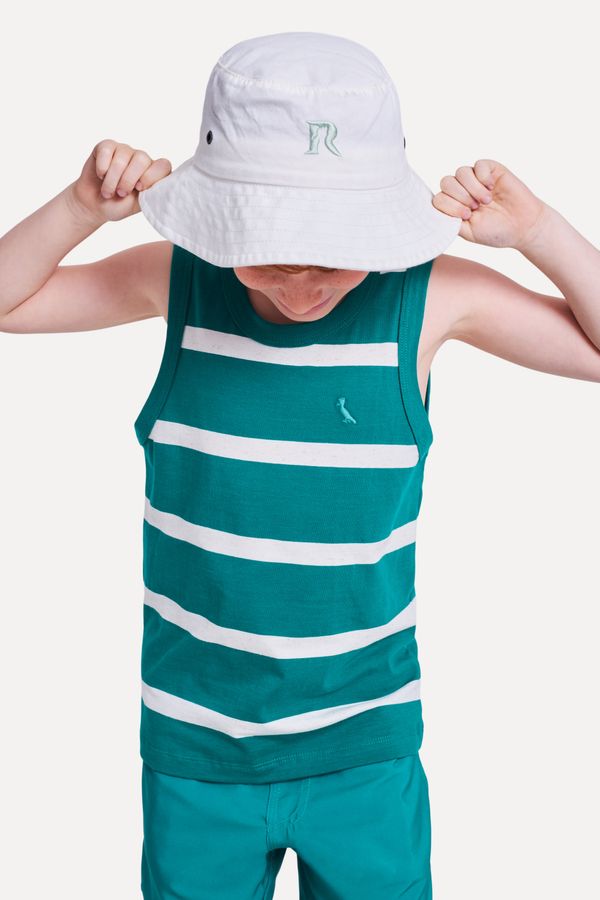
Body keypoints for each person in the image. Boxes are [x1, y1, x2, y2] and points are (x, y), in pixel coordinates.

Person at [1, 30, 599, 900]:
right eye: (274, 257)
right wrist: (77, 209)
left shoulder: (427, 298)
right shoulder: (178, 281)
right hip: (196, 751)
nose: (303, 286)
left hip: (364, 751)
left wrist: (539, 230)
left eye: (334, 257)